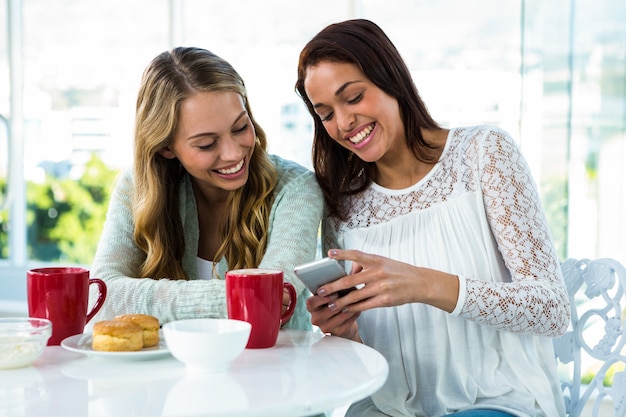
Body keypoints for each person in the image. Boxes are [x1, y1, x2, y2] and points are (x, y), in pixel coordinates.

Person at [295, 19, 570, 417]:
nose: (343, 123)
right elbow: (367, 354)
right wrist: (345, 330)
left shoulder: (484, 154)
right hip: (389, 406)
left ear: (390, 78)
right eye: (325, 114)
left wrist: (424, 284)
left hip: (495, 401)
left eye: (353, 97)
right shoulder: (344, 205)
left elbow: (551, 309)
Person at [88, 46, 323, 331]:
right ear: (165, 147)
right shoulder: (136, 188)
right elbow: (101, 296)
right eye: (207, 144)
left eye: (240, 128)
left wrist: (146, 299)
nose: (233, 154)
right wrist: (231, 297)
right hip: (166, 374)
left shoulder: (295, 189)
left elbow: (274, 299)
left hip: (271, 373)